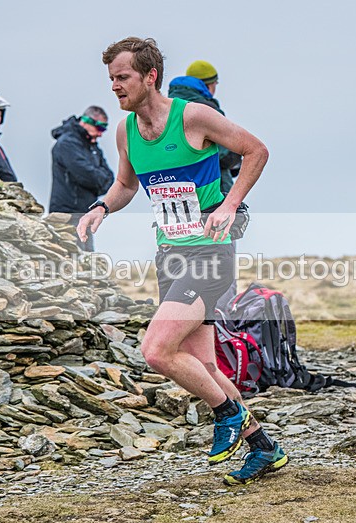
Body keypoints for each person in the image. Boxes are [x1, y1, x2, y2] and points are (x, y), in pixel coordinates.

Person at [79, 37, 287, 485]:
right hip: (170, 254)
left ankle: (228, 414)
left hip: (210, 253)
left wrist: (230, 205)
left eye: (123, 77)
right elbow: (126, 185)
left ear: (149, 76)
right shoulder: (125, 131)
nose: (115, 86)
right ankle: (264, 448)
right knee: (205, 368)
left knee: (156, 350)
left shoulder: (191, 116)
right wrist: (100, 207)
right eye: (111, 79)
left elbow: (257, 151)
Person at [168, 60, 242, 195]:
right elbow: (225, 155)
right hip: (212, 189)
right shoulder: (209, 111)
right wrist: (237, 156)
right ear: (208, 85)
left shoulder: (168, 109)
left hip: (175, 189)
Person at [49, 106, 115, 251]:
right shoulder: (67, 144)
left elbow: (109, 178)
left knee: (87, 263)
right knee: (72, 263)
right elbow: (87, 175)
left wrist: (98, 180)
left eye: (104, 129)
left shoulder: (92, 147)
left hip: (84, 214)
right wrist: (98, 180)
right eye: (100, 128)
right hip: (66, 216)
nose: (101, 134)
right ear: (86, 121)